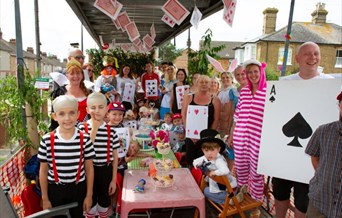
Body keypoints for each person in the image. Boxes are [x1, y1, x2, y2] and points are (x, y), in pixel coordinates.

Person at [272, 41, 334, 218]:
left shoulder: (330, 85)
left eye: (316, 53)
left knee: (303, 200)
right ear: (298, 58)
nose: (312, 57)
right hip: (284, 154)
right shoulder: (284, 83)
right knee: (280, 193)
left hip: (312, 157)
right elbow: (275, 117)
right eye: (307, 54)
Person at [38, 95, 95, 218]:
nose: (67, 118)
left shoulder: (84, 139)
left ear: (78, 114)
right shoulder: (47, 140)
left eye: (71, 113)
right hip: (55, 190)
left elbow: (89, 169)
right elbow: (43, 170)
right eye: (62, 114)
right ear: (54, 116)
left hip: (78, 189)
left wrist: (89, 195)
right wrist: (45, 198)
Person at [229, 59, 267, 217]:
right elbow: (237, 117)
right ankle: (242, 194)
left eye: (255, 72)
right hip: (240, 137)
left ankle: (256, 204)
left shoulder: (268, 92)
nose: (252, 75)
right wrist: (232, 135)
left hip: (257, 138)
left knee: (257, 172)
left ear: (260, 72)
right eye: (249, 72)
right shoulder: (243, 91)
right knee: (242, 169)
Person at [78, 92, 120, 218]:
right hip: (87, 171)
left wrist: (113, 179)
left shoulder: (111, 131)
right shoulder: (81, 128)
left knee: (104, 201)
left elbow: (115, 157)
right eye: (93, 107)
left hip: (105, 171)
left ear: (107, 109)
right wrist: (94, 130)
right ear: (87, 109)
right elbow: (84, 151)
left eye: (101, 107)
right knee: (89, 202)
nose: (97, 111)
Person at [305, 91, 342, 218]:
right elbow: (314, 156)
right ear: (339, 105)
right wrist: (324, 176)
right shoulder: (323, 131)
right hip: (319, 204)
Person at [182, 75, 221, 165]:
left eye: (206, 82)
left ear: (210, 84)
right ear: (197, 84)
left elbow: (216, 119)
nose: (204, 84)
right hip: (191, 137)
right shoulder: (189, 97)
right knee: (190, 161)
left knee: (204, 164)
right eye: (201, 82)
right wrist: (189, 133)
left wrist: (208, 137)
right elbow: (183, 115)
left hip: (206, 139)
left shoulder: (215, 99)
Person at [193, 129, 237, 204]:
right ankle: (230, 199)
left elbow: (225, 170)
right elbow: (195, 161)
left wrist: (214, 172)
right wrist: (196, 165)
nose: (209, 153)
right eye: (206, 150)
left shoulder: (219, 160)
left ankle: (229, 200)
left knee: (205, 191)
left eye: (212, 150)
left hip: (228, 189)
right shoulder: (206, 157)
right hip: (219, 186)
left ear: (218, 149)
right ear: (203, 150)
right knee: (205, 188)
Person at [50, 57, 90, 131]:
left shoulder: (89, 93)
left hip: (86, 132)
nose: (75, 76)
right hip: (66, 131)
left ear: (82, 75)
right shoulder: (60, 92)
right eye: (72, 73)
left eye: (78, 73)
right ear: (67, 75)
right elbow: (54, 115)